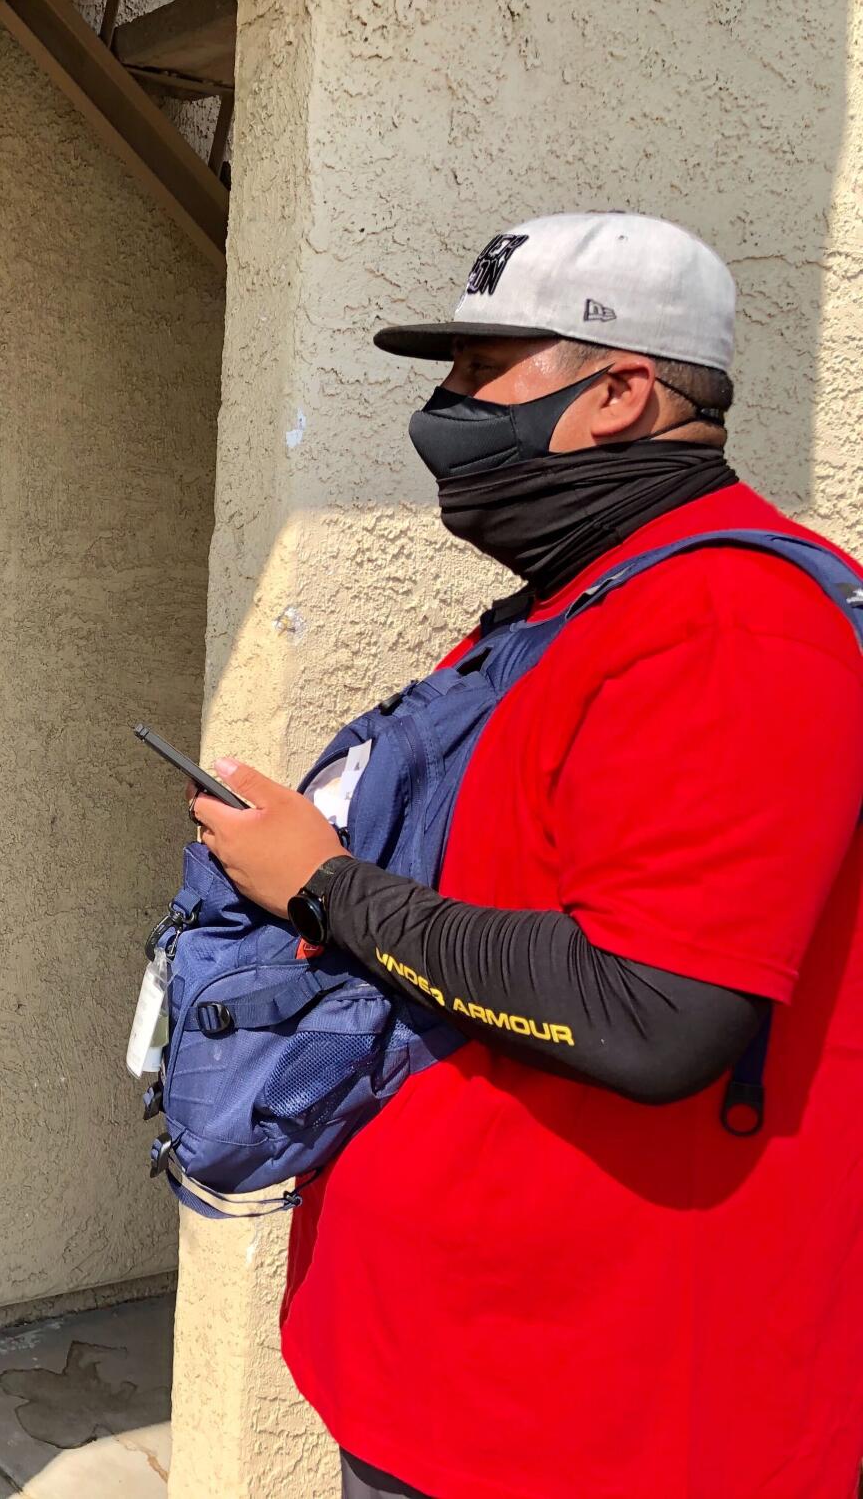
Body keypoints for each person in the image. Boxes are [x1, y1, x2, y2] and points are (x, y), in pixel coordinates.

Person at [187, 214, 863, 1497]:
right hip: (461, 1362)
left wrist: (324, 888)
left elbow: (652, 1011)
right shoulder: (590, 594)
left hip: (592, 1414)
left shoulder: (732, 626)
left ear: (618, 392)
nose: (443, 415)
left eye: (478, 371)